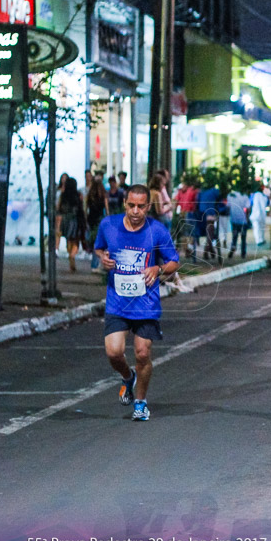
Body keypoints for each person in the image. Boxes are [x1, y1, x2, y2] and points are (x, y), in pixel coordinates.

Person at [94, 184, 180, 421]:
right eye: (131, 205)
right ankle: (127, 377)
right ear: (125, 203)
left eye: (141, 206)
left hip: (146, 303)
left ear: (148, 206)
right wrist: (103, 259)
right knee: (114, 353)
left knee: (143, 353)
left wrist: (158, 267)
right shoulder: (108, 225)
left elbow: (174, 262)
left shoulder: (157, 230)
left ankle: (140, 403)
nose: (135, 211)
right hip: (117, 302)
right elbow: (99, 248)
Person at [56, 176, 86, 272]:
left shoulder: (63, 196)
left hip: (66, 220)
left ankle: (70, 254)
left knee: (69, 239)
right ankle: (72, 255)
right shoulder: (78, 195)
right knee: (76, 240)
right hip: (75, 219)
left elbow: (59, 208)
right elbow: (82, 208)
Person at [86, 174, 109, 271]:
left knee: (94, 241)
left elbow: (85, 208)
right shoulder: (103, 195)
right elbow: (107, 210)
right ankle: (96, 264)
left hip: (91, 219)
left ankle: (94, 264)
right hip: (100, 219)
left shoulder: (90, 195)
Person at [226, 184, 251, 259]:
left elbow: (228, 206)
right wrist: (247, 218)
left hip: (234, 219)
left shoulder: (230, 196)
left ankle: (233, 247)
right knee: (243, 237)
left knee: (234, 236)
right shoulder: (245, 196)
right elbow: (248, 208)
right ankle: (243, 253)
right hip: (243, 220)